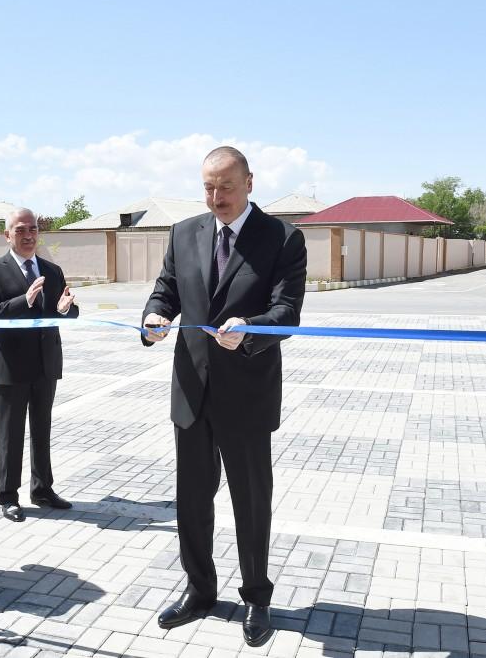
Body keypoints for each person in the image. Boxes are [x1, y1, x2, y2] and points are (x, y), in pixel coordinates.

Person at [142, 147, 306, 646]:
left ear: (250, 182)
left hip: (247, 394)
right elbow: (166, 288)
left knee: (250, 502)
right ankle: (200, 589)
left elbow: (287, 312)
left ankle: (257, 595)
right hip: (192, 391)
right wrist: (153, 317)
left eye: (226, 187)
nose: (217, 198)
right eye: (209, 188)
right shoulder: (184, 231)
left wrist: (251, 329)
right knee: (191, 500)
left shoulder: (282, 238)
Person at [0, 207, 78, 522]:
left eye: (33, 228)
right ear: (7, 235)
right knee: (10, 434)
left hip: (46, 363)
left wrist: (64, 309)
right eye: (21, 230)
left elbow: (69, 311)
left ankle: (42, 488)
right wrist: (25, 301)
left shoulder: (52, 269)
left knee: (42, 429)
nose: (29, 235)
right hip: (11, 365)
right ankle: (7, 495)